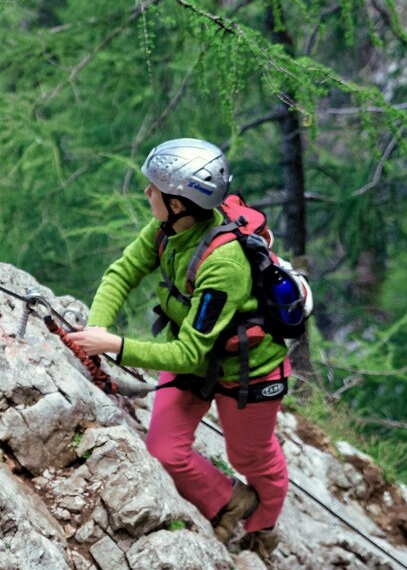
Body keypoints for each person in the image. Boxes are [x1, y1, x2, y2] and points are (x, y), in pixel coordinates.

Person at [64, 138, 287, 559]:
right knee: (164, 449)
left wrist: (116, 346)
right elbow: (122, 272)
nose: (147, 192)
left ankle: (263, 527)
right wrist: (97, 327)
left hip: (249, 373)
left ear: (180, 203)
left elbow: (189, 354)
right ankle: (231, 502)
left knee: (250, 454)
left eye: (154, 189)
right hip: (197, 357)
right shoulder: (167, 229)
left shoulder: (224, 264)